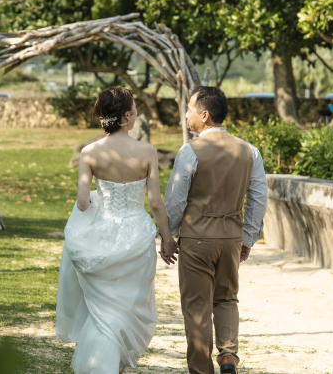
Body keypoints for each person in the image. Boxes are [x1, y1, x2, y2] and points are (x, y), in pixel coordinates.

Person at [56, 86, 177, 374]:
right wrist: (168, 238)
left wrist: (99, 198)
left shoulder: (90, 152)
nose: (137, 113)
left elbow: (83, 203)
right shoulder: (147, 151)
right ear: (126, 115)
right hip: (137, 236)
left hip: (102, 235)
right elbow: (156, 203)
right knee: (127, 306)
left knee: (102, 311)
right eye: (135, 108)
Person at [162, 86, 268, 374]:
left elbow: (175, 199)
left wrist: (168, 235)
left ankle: (201, 370)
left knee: (197, 306)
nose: (186, 114)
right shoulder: (250, 151)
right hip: (231, 238)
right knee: (227, 298)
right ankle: (229, 356)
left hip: (197, 238)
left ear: (204, 115)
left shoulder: (190, 150)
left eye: (189, 109)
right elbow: (258, 198)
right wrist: (248, 238)